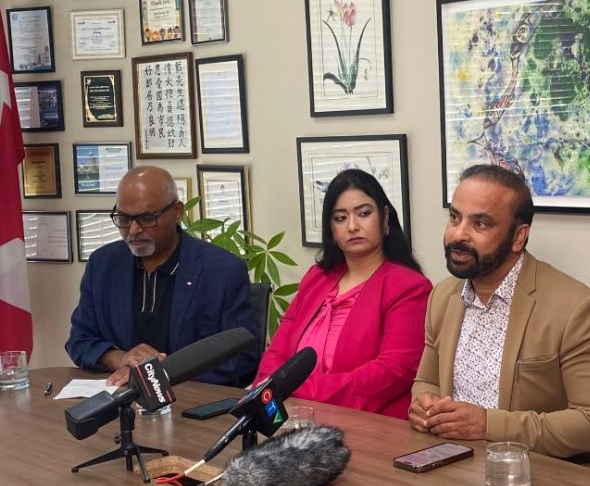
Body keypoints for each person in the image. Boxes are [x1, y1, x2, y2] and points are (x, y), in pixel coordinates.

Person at [409, 165, 590, 458]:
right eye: (455, 218)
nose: (459, 235)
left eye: (480, 224)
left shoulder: (577, 309)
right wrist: (424, 404)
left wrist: (488, 425)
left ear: (518, 237)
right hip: (449, 466)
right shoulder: (443, 296)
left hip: (535, 481)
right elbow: (428, 380)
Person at [255, 169, 432, 418]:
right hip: (293, 417)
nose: (352, 226)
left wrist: (291, 389)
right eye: (340, 218)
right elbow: (277, 351)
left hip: (368, 426)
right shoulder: (316, 278)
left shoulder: (410, 287)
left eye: (364, 213)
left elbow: (391, 373)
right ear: (330, 228)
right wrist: (270, 389)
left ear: (385, 217)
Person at [66, 166, 258, 387]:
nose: (134, 230)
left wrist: (159, 375)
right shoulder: (103, 264)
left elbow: (242, 358)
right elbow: (79, 341)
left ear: (177, 212)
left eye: (147, 218)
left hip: (191, 403)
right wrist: (121, 359)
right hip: (122, 398)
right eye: (124, 218)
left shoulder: (222, 270)